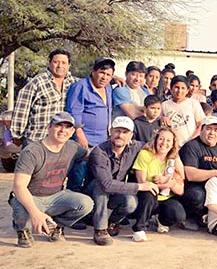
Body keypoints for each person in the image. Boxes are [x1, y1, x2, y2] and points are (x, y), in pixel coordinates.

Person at [10, 112, 94, 247]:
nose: (63, 130)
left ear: (72, 131)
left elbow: (91, 155)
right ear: (49, 127)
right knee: (22, 210)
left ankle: (56, 226)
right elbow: (19, 186)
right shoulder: (32, 152)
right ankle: (22, 229)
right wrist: (36, 213)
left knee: (85, 203)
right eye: (58, 125)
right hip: (32, 196)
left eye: (68, 127)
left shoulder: (72, 147)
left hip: (57, 195)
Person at [86, 116, 158, 245]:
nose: (120, 135)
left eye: (125, 132)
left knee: (130, 202)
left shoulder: (136, 147)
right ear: (110, 131)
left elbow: (160, 147)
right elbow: (106, 184)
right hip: (93, 193)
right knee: (101, 187)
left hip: (116, 191)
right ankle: (100, 230)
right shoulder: (99, 152)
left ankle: (112, 222)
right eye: (117, 131)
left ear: (131, 135)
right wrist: (140, 186)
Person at [65, 57, 116, 191]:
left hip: (102, 143)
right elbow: (73, 112)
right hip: (84, 141)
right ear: (93, 71)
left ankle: (88, 210)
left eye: (108, 75)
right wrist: (79, 134)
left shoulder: (109, 88)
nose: (104, 77)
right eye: (101, 72)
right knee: (77, 177)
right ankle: (71, 209)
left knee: (93, 179)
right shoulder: (80, 87)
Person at [11, 48, 77, 145]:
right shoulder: (37, 82)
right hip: (36, 138)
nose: (60, 66)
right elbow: (22, 108)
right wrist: (17, 134)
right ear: (49, 63)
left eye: (63, 63)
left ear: (69, 65)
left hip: (61, 140)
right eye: (56, 62)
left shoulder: (73, 83)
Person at [132, 127, 186, 241]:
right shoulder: (145, 154)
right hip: (147, 194)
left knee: (179, 215)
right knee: (149, 193)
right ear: (156, 140)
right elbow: (142, 182)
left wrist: (170, 184)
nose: (164, 143)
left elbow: (180, 190)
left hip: (165, 197)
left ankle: (161, 220)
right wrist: (165, 184)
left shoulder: (174, 159)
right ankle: (139, 228)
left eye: (168, 141)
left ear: (172, 144)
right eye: (161, 139)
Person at [179, 116, 217, 228]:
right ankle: (191, 217)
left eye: (216, 130)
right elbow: (190, 175)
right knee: (197, 196)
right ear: (201, 129)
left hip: (215, 186)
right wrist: (216, 173)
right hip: (194, 187)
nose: (212, 133)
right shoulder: (191, 146)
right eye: (209, 129)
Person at [162, 75, 206, 147]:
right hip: (171, 146)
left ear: (187, 90)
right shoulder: (164, 105)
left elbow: (201, 125)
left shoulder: (193, 103)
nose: (179, 91)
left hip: (191, 145)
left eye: (183, 88)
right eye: (177, 87)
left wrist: (191, 141)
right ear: (171, 88)